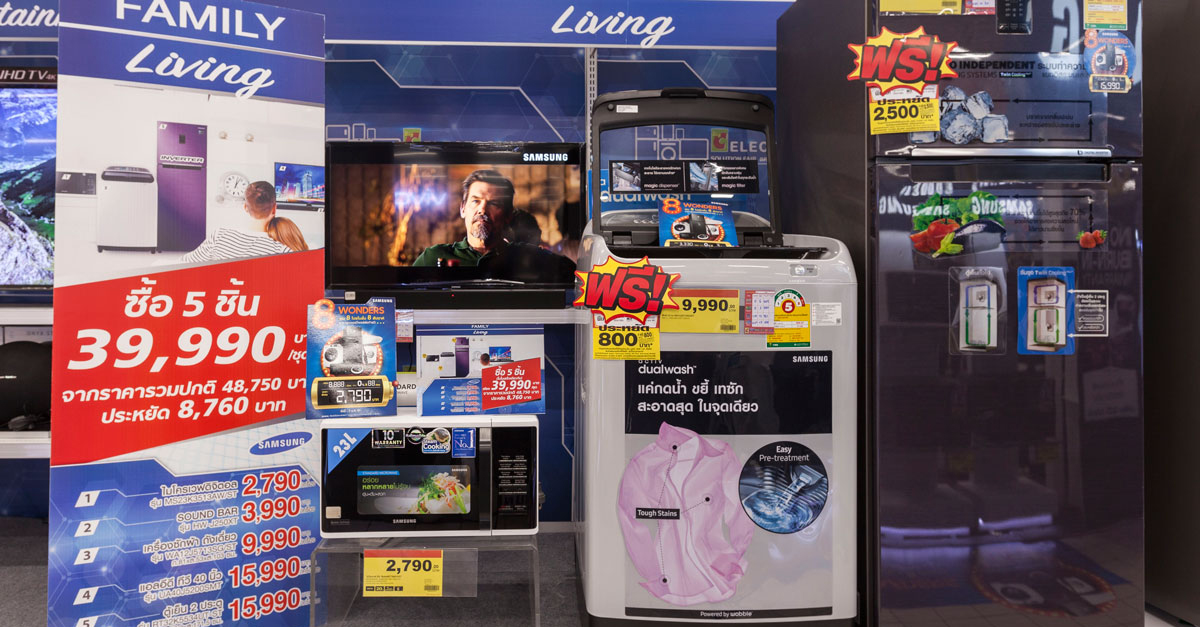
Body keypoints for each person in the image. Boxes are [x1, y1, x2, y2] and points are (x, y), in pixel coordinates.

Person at [412, 170, 574, 282]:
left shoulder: (530, 256)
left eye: (494, 203)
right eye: (475, 201)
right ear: (463, 209)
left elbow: (577, 277)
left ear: (508, 215)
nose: (482, 209)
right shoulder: (433, 257)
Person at [182, 181, 306, 262]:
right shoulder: (283, 251)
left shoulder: (220, 236)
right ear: (274, 208)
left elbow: (184, 263)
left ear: (246, 207)